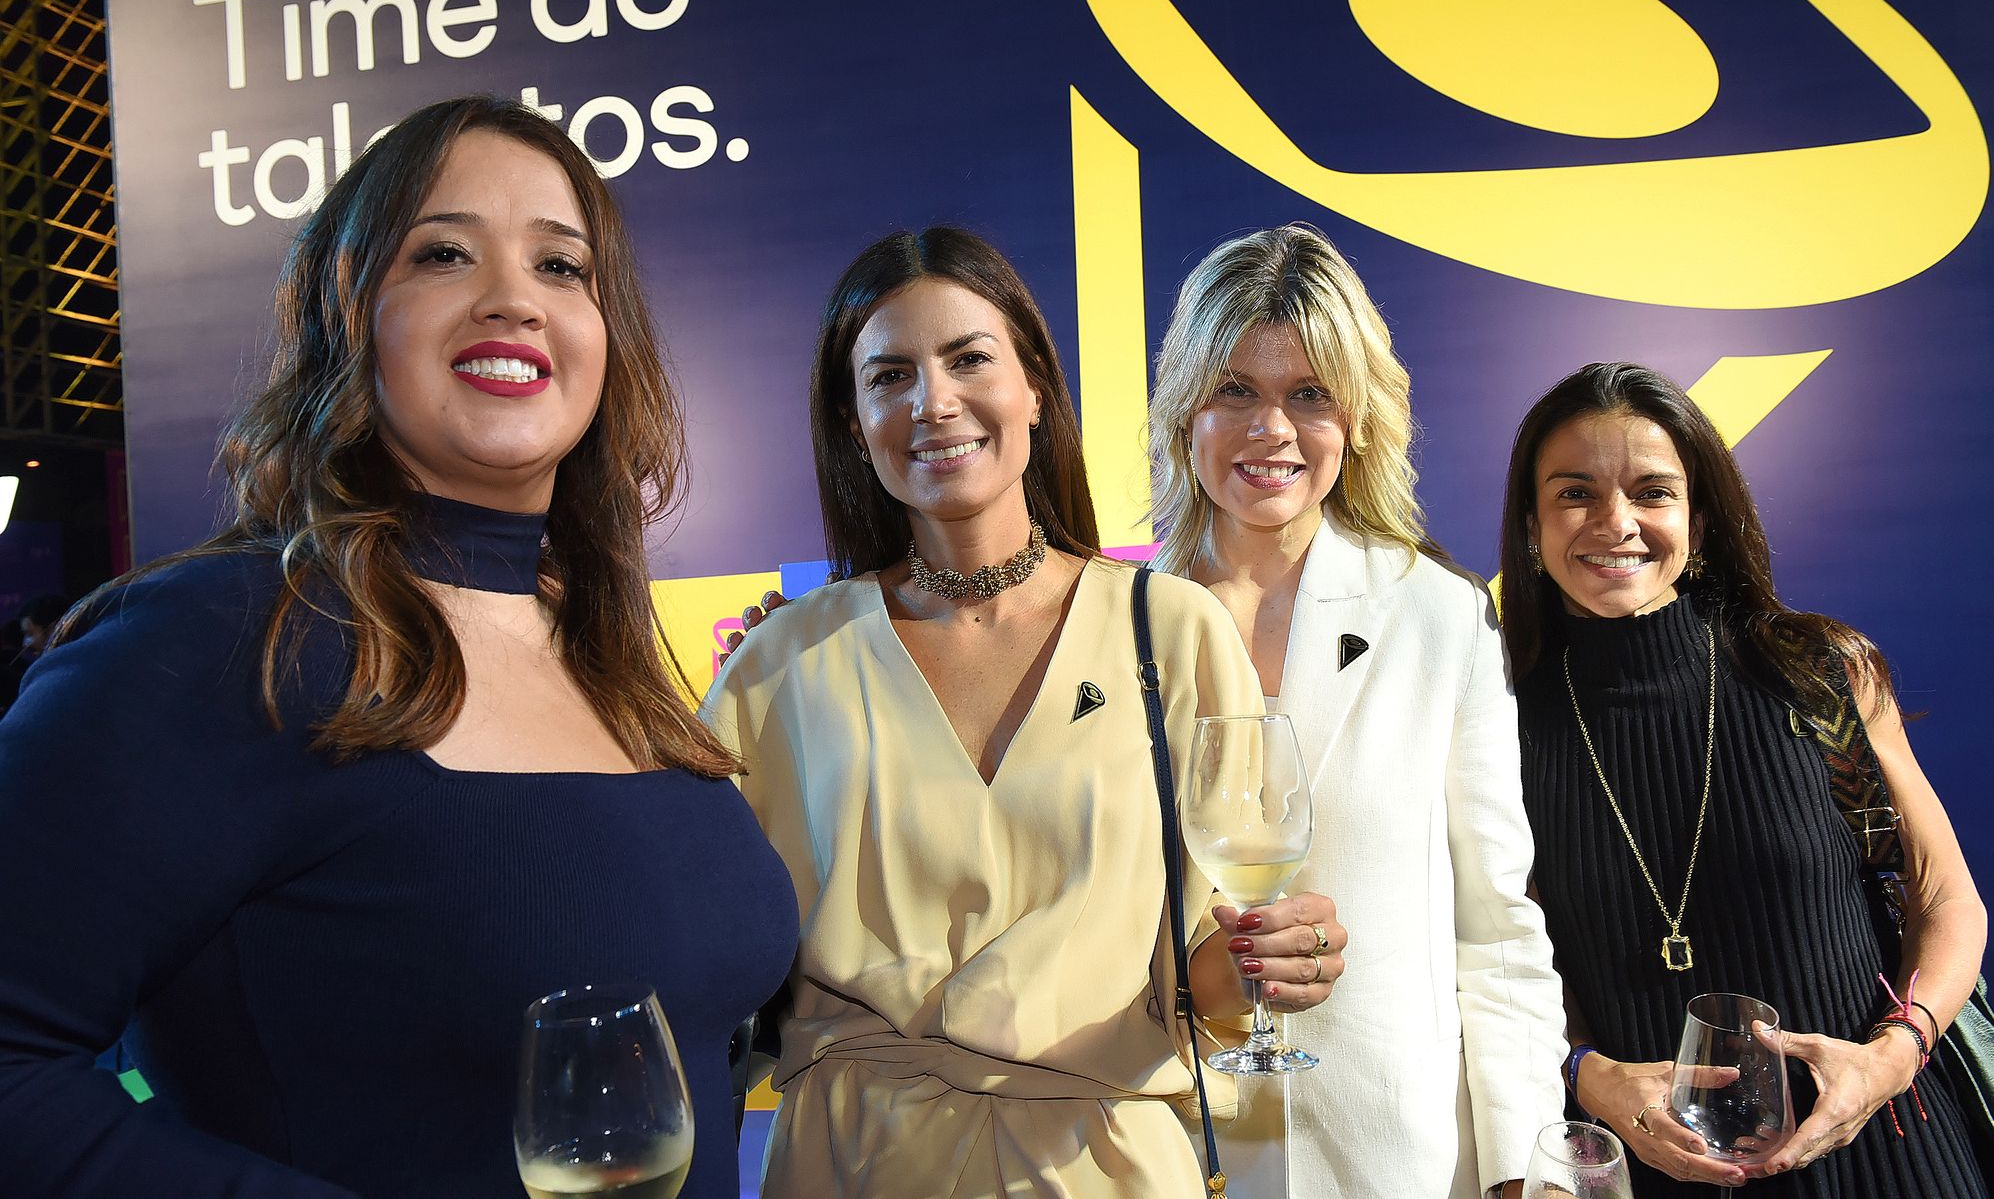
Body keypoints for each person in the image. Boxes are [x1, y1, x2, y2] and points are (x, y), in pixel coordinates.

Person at [0, 95, 795, 1198]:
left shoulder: (602, 648)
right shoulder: (211, 643)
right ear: (348, 315)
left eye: (561, 267)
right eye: (443, 253)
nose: (514, 297)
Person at [703, 226, 1342, 1198]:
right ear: (851, 422)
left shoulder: (1169, 631)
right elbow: (709, 968)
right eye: (889, 376)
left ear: (1035, 386)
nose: (933, 401)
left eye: (968, 359)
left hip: (1108, 1169)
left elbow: (1198, 969)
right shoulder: (777, 665)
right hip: (852, 1166)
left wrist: (1266, 963)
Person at [1144, 224, 1568, 1199]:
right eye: (1234, 390)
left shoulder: (1438, 615)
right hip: (1162, 1150)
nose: (1272, 430)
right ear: (1183, 412)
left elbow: (1498, 928)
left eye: (1309, 395)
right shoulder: (1110, 626)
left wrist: (1526, 1170)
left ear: (1357, 417)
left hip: (1391, 1160)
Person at [1502, 361, 1989, 1196]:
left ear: (1698, 520)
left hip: (1886, 1150)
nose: (1616, 521)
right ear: (1532, 525)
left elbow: (1947, 897)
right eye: (1575, 493)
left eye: (1653, 492)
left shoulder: (1818, 671)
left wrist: (1893, 1054)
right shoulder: (1497, 720)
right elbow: (1508, 957)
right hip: (1656, 1166)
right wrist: (1587, 1070)